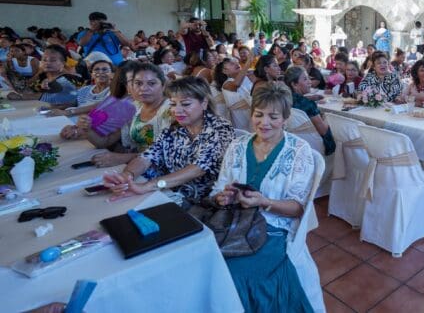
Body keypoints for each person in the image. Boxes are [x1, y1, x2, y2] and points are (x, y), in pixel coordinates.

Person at [210, 84, 315, 312]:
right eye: (258, 115)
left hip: (272, 229)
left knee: (234, 276)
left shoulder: (299, 150)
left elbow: (297, 208)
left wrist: (263, 202)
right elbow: (218, 188)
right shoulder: (238, 145)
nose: (264, 123)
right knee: (204, 264)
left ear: (285, 119)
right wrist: (223, 197)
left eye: (273, 117)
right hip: (233, 223)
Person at [103, 77, 234, 204]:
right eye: (172, 104)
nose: (177, 110)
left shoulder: (221, 129)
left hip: (200, 202)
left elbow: (198, 168)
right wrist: (127, 176)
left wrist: (149, 186)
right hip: (169, 193)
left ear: (204, 103)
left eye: (185, 104)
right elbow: (147, 157)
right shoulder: (173, 129)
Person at [60, 62, 136, 148]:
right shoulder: (114, 97)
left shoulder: (131, 107)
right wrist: (76, 128)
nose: (100, 73)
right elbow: (94, 122)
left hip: (100, 148)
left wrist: (84, 130)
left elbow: (105, 142)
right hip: (86, 142)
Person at [285, 66, 336, 155]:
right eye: (305, 79)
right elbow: (324, 131)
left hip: (295, 143)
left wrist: (309, 98)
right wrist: (325, 116)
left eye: (309, 78)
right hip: (316, 146)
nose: (310, 82)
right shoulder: (308, 105)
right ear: (294, 84)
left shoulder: (284, 100)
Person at [49, 60, 113, 117]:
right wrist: (52, 106)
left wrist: (68, 112)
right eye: (96, 69)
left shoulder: (114, 90)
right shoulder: (85, 89)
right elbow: (73, 102)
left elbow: (102, 105)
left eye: (105, 69)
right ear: (92, 75)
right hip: (73, 119)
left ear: (112, 74)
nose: (100, 72)